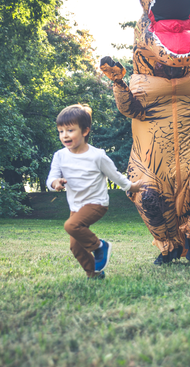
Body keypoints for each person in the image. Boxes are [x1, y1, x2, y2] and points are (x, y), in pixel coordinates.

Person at [46, 104, 143, 279]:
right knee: (75, 246)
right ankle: (94, 273)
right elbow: (51, 177)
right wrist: (55, 182)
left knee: (70, 225)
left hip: (96, 203)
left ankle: (100, 247)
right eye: (60, 131)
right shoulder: (60, 156)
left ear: (85, 131)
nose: (64, 135)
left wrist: (131, 187)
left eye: (70, 130)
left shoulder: (97, 156)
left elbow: (115, 175)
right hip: (76, 206)